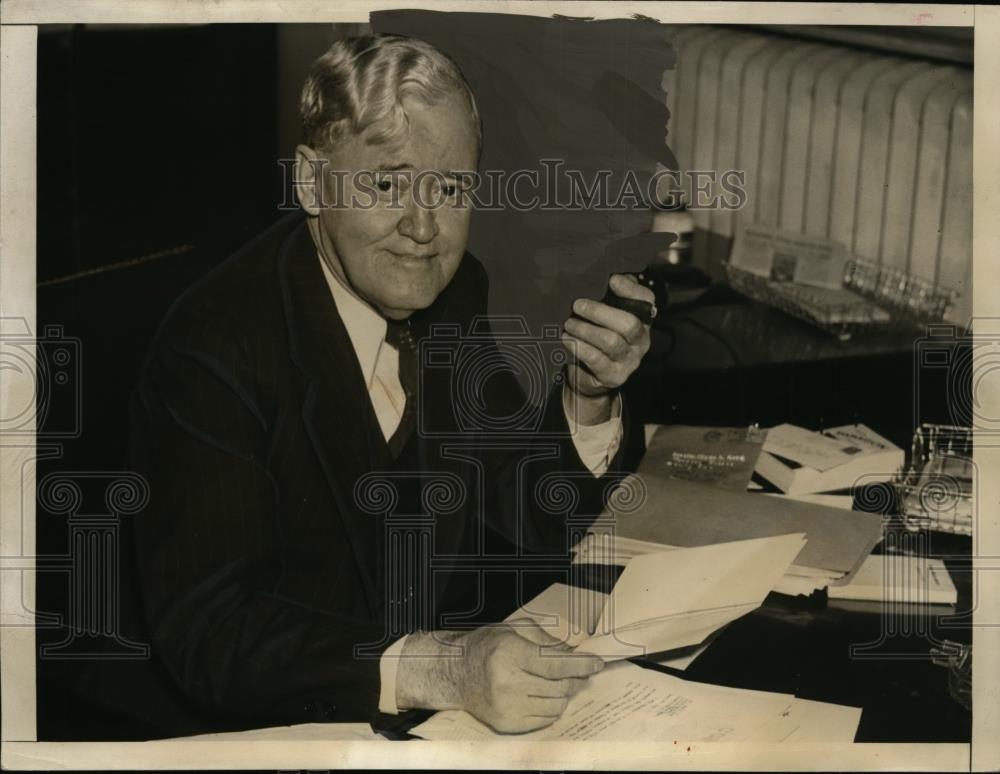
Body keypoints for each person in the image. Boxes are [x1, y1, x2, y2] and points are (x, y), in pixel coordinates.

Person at [129, 34, 654, 736]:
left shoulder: (453, 291)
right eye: (386, 182)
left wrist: (586, 398)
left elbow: (527, 514)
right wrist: (439, 668)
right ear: (313, 182)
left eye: (451, 187)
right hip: (271, 732)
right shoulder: (216, 345)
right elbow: (213, 632)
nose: (424, 228)